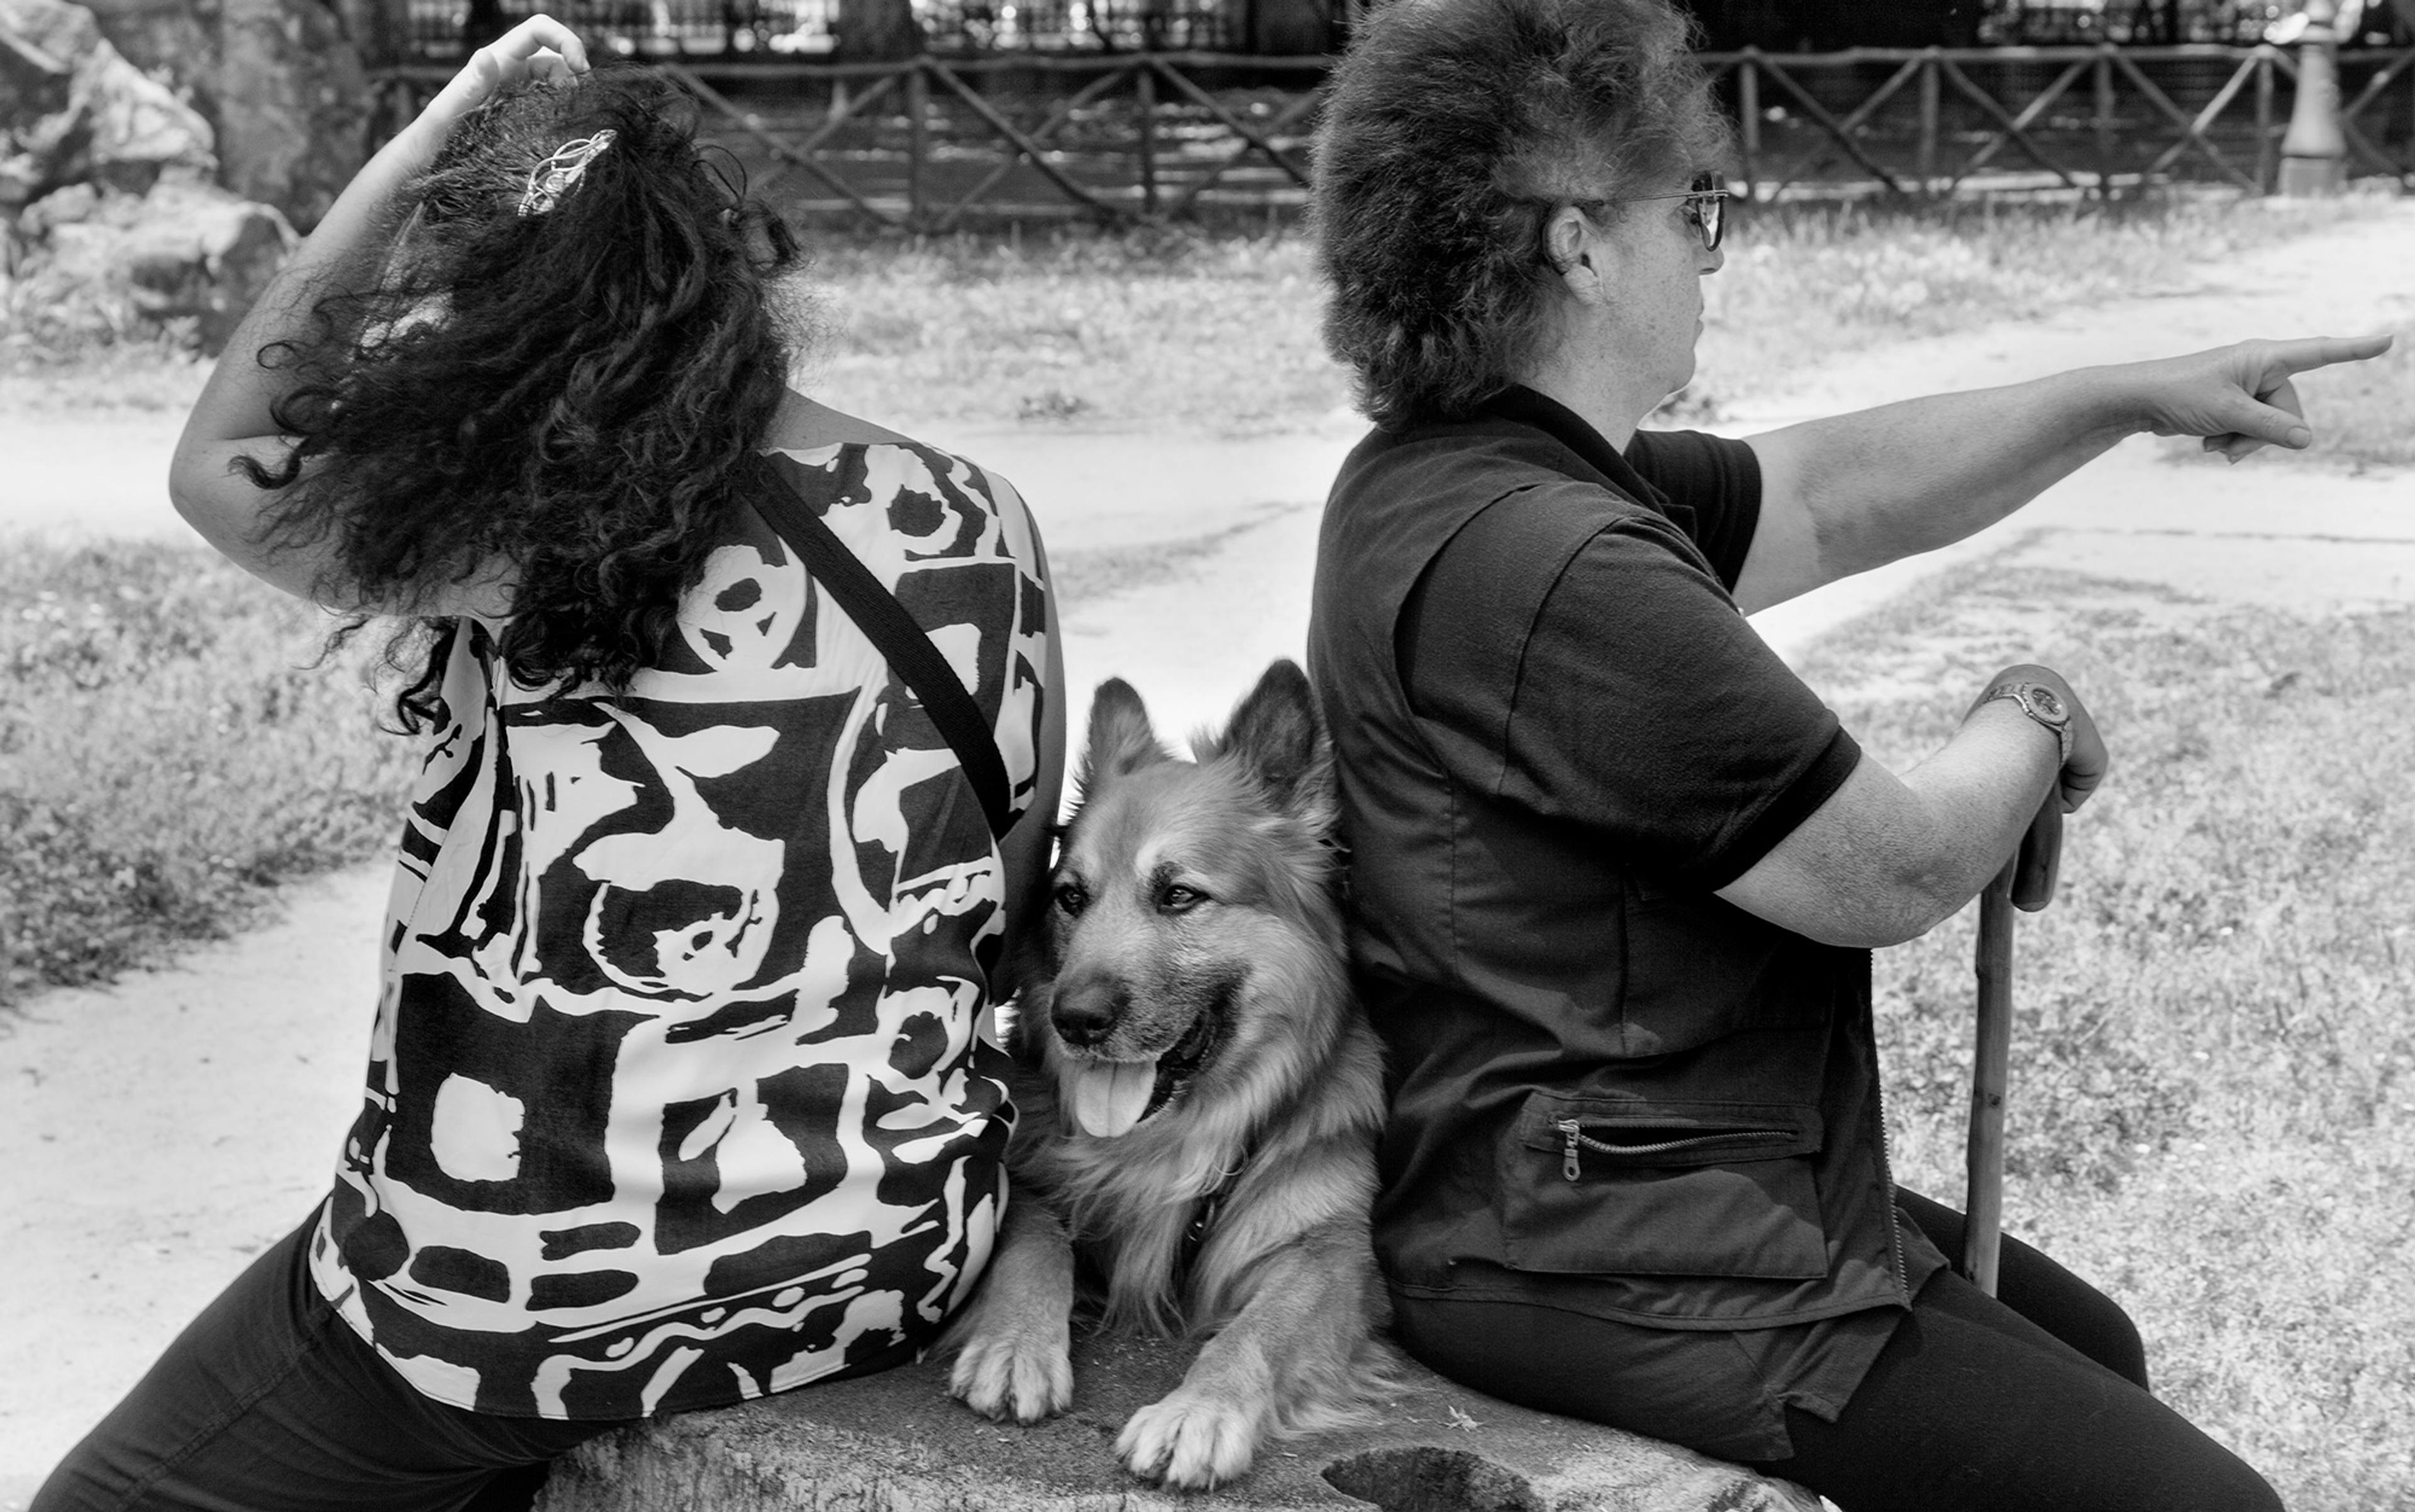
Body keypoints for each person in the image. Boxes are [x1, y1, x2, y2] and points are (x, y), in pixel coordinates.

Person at [1301, 1, 2390, 1509]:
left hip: (1604, 1173)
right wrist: (2035, 718)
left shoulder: (1454, 472)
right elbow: (1887, 868)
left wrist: (2127, 391)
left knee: (2100, 1344)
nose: (1711, 250)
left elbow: (1827, 495)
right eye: (1695, 207)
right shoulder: (1554, 564)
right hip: (1627, 1250)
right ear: (1577, 246)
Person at [37, 18, 1064, 1511]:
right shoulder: (979, 515)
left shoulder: (526, 537)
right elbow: (995, 897)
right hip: (886, 1251)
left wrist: (436, 139)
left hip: (523, 1301)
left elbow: (223, 456)